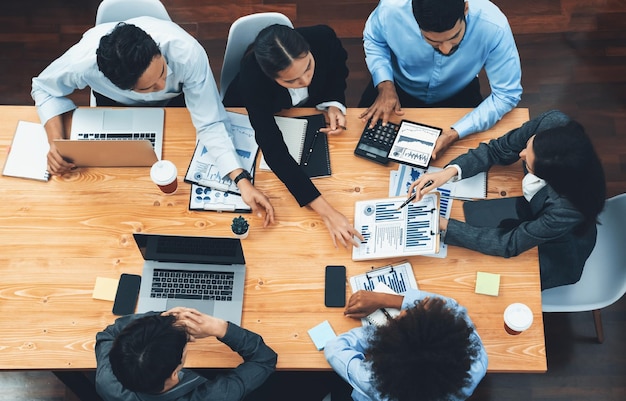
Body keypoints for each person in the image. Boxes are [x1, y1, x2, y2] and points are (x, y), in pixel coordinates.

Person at [31, 18, 274, 225]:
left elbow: (210, 123)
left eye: (162, 72)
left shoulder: (186, 52)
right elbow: (44, 87)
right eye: (148, 87)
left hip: (177, 104)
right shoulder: (81, 63)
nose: (162, 85)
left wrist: (242, 181)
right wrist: (57, 143)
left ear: (157, 49)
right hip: (118, 107)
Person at [407, 110, 607, 290]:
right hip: (527, 213)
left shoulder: (566, 209)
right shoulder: (553, 123)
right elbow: (497, 149)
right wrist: (448, 172)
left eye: (528, 163)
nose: (520, 154)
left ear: (551, 177)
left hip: (556, 252)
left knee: (488, 278)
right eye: (529, 145)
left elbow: (509, 244)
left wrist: (445, 226)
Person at [223, 24, 363, 248]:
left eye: (308, 67)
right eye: (292, 81)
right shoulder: (252, 76)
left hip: (301, 108)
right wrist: (326, 211)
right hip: (252, 110)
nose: (306, 80)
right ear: (271, 77)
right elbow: (273, 148)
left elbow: (337, 67)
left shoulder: (323, 37)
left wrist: (334, 103)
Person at [359, 0, 522, 159]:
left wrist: (455, 133)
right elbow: (374, 40)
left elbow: (506, 95)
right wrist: (385, 85)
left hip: (460, 93)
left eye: (455, 37)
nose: (446, 49)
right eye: (433, 42)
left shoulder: (494, 25)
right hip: (396, 88)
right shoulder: (391, 9)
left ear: (465, 9)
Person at [325, 289, 488, 401]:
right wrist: (389, 301)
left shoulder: (372, 381)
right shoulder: (477, 365)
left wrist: (388, 332)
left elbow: (335, 348)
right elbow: (451, 307)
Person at [95, 307, 277, 400]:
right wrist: (221, 328)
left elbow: (108, 334)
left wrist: (163, 320)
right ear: (175, 374)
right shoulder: (215, 396)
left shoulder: (106, 382)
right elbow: (264, 360)